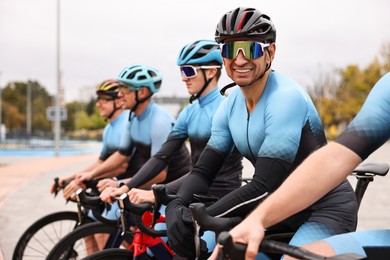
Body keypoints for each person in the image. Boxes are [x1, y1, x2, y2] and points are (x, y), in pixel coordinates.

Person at [164, 7, 358, 259]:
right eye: (231, 49)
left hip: (323, 209)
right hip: (276, 209)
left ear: (271, 52)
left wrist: (195, 215)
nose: (240, 59)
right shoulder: (230, 105)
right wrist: (176, 205)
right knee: (217, 251)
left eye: (251, 48)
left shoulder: (285, 98)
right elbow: (203, 171)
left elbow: (265, 185)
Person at [214, 72, 390, 260]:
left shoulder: (286, 98)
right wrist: (257, 219)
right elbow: (336, 157)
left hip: (328, 210)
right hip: (290, 210)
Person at [105, 39, 243, 204]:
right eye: (182, 72)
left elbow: (211, 171)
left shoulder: (227, 108)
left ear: (212, 72)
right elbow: (162, 157)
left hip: (221, 196)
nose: (184, 78)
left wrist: (159, 192)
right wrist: (125, 187)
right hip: (194, 191)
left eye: (188, 71)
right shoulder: (189, 111)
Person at [77, 65, 191, 201]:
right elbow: (121, 155)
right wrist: (91, 174)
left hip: (174, 188)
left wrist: (121, 184)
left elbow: (160, 174)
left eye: (124, 89)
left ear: (142, 92)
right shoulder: (132, 117)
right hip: (153, 184)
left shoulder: (159, 121)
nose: (119, 95)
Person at [50, 79, 140, 200]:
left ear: (118, 102)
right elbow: (101, 162)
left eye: (104, 99)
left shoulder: (126, 124)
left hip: (131, 189)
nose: (98, 104)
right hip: (114, 185)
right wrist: (72, 177)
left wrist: (87, 178)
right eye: (98, 99)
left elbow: (121, 166)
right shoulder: (109, 128)